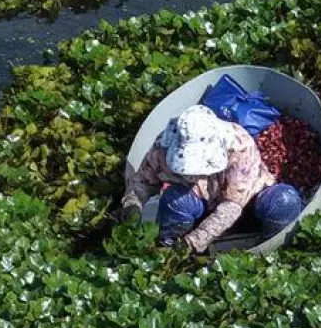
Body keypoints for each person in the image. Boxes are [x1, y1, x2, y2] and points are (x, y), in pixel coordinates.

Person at [118, 105, 304, 253]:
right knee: (175, 200)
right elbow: (142, 180)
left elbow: (231, 208)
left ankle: (269, 245)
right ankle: (168, 249)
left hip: (247, 204)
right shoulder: (164, 145)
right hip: (202, 206)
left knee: (284, 201)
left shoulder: (239, 146)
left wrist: (194, 241)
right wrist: (133, 203)